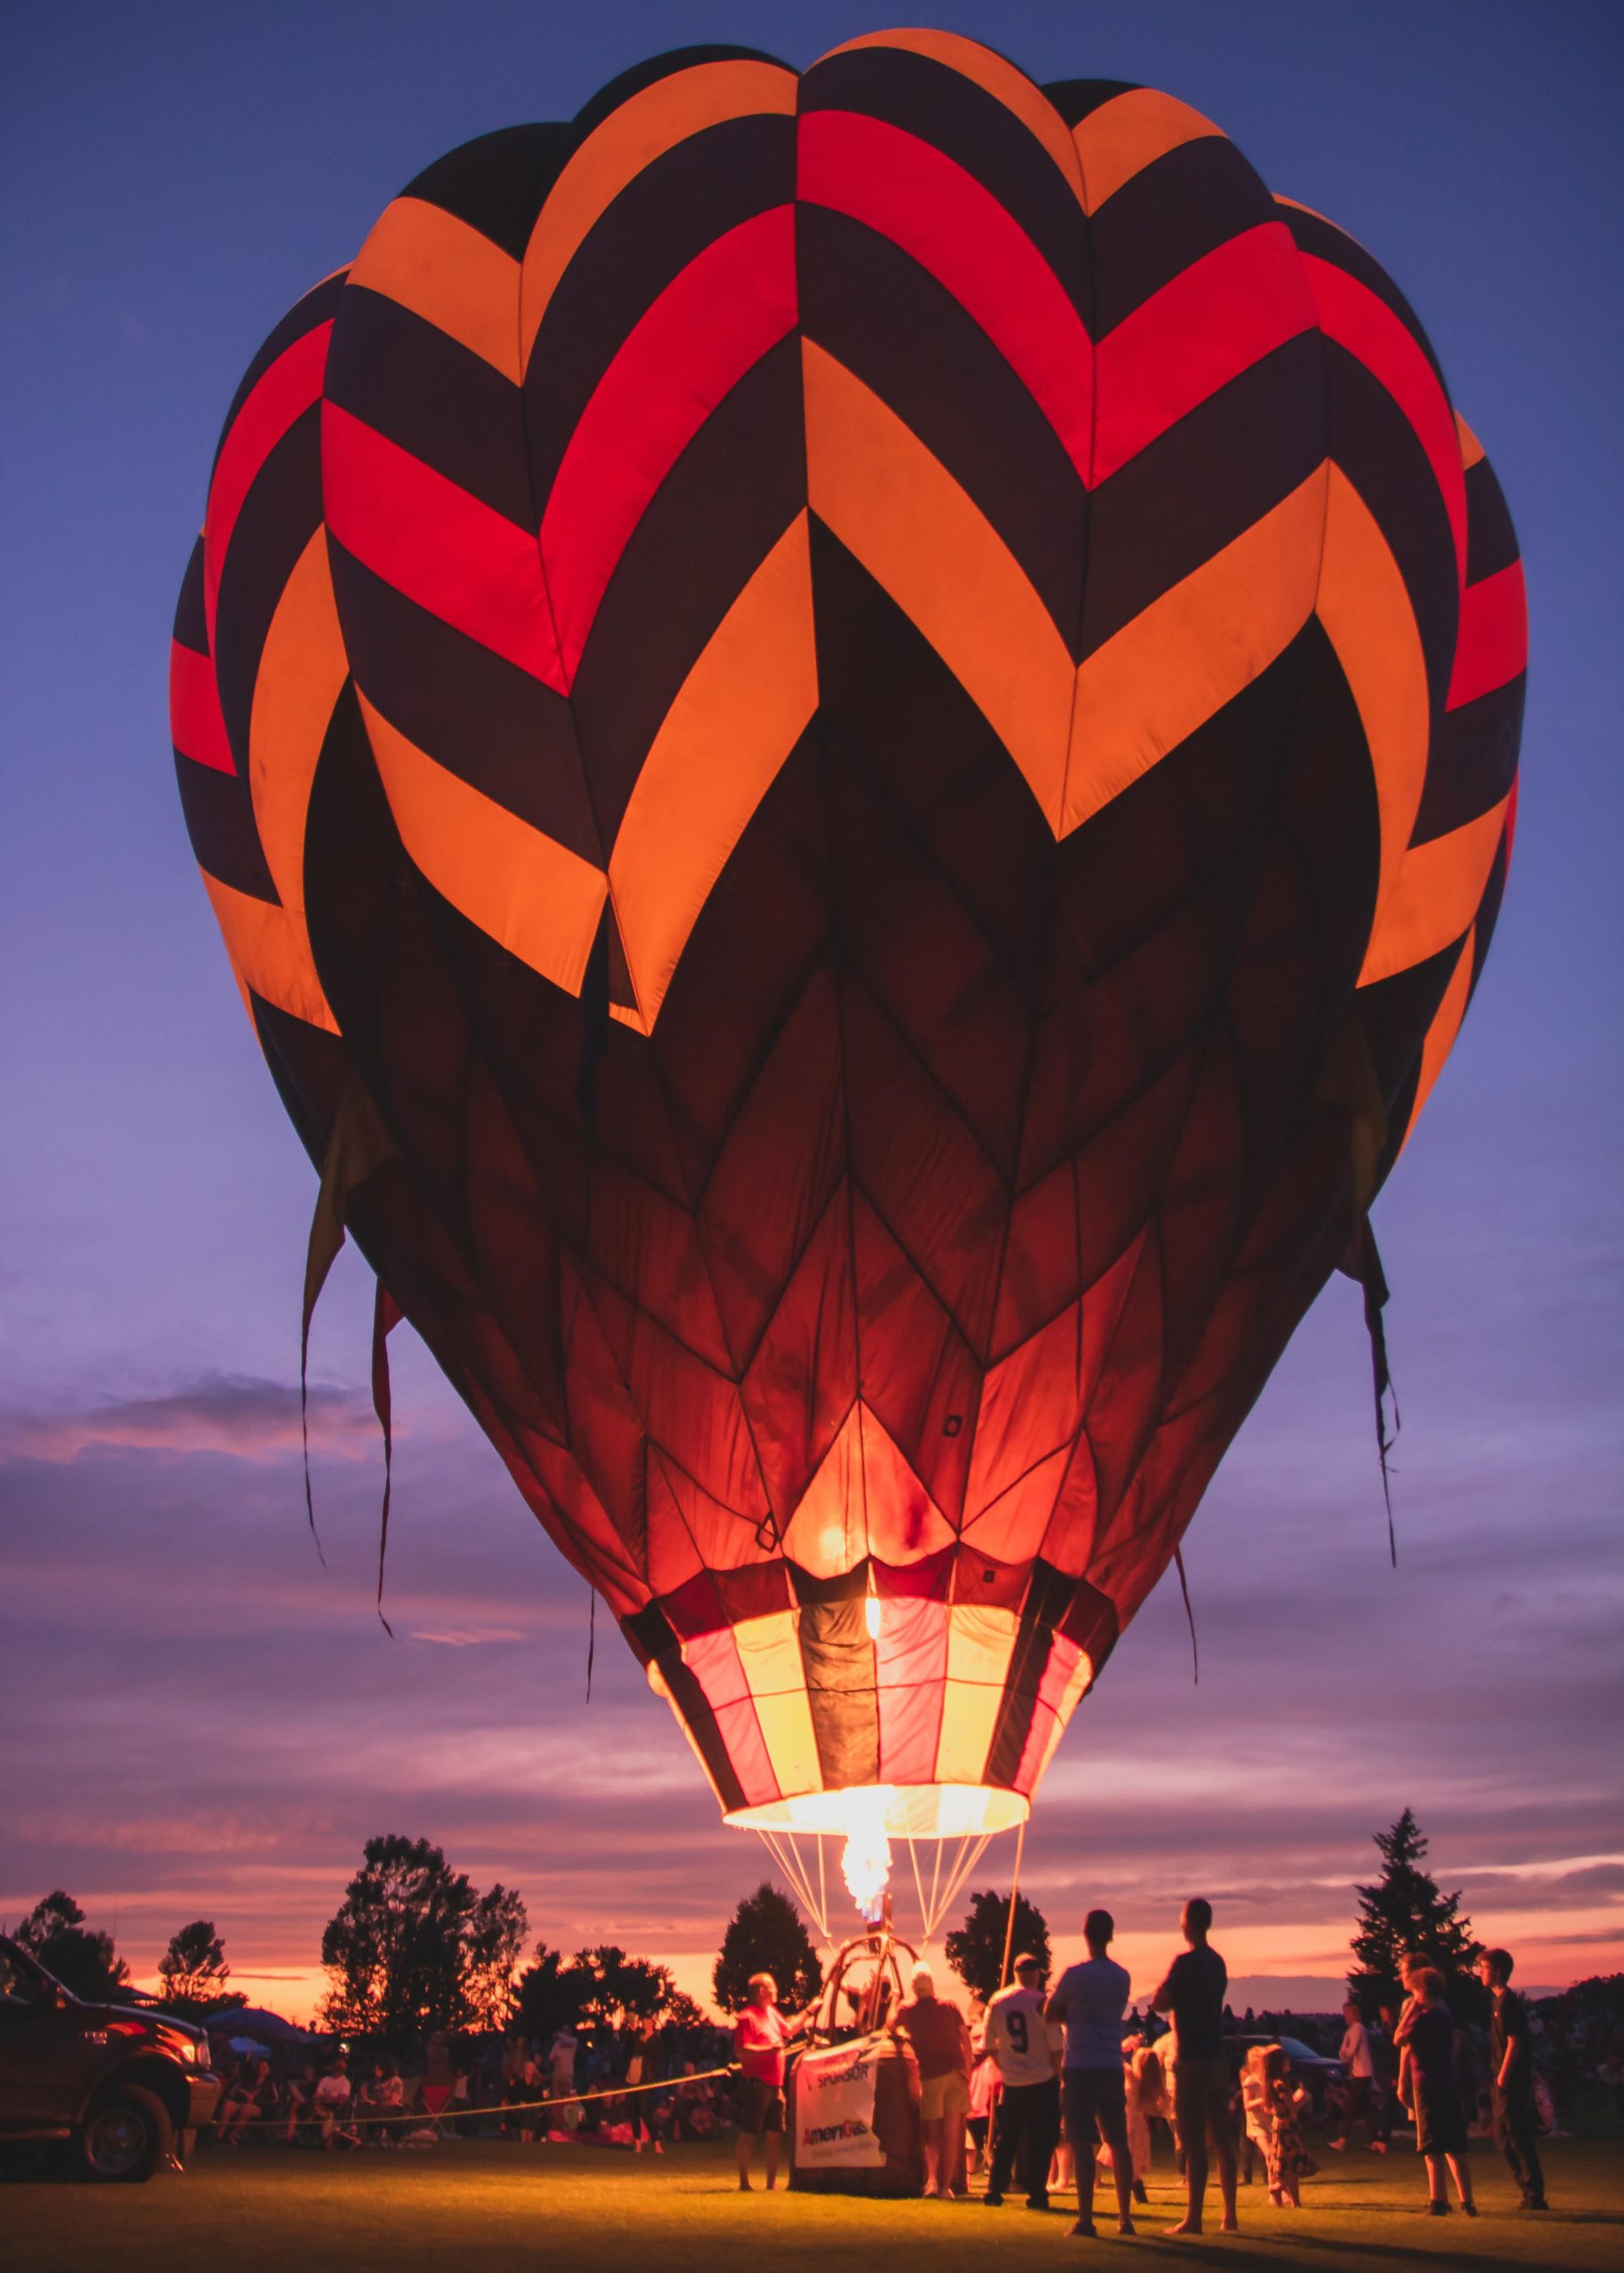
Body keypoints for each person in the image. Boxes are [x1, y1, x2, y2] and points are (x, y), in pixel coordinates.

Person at [1150, 1897, 1239, 2237]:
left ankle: (1194, 2217)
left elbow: (1161, 2002)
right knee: (1222, 2137)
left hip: (1190, 2057)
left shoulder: (1184, 1963)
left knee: (1193, 2139)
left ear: (1187, 1922)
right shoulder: (1218, 1963)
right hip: (1216, 2057)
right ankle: (1230, 2214)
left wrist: (1161, 1995)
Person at [1046, 1909, 1136, 2238]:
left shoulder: (1074, 1976)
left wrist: (1069, 2013)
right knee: (1118, 2142)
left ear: (1085, 1935)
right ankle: (1125, 2217)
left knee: (1081, 2141)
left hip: (1080, 2063)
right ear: (1110, 1934)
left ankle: (1086, 2218)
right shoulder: (1121, 1977)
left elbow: (1049, 2013)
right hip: (1110, 2062)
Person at [982, 1952, 1062, 2211]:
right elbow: (1055, 2048)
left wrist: (1006, 2068)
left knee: (1006, 2138)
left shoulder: (997, 2001)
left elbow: (989, 2046)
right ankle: (1036, 2191)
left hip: (1013, 2080)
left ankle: (994, 2188)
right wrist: (1060, 2077)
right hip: (1042, 2078)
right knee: (1041, 2138)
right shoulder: (1042, 2003)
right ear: (1037, 1973)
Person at [891, 1961, 973, 2200]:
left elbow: (889, 2024)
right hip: (955, 2074)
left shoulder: (908, 2009)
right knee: (950, 2133)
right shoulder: (949, 2006)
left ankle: (932, 2180)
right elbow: (965, 2041)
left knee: (931, 2133)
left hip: (931, 2076)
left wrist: (896, 1998)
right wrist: (966, 2071)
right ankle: (945, 2186)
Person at [1398, 1968, 1476, 2216]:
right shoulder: (1445, 2015)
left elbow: (1399, 2039)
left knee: (1431, 2145)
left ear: (1420, 1990)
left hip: (1426, 2083)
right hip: (1447, 2082)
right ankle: (1467, 2201)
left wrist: (1412, 2009)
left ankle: (1438, 2199)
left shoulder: (1422, 2017)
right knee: (1454, 2144)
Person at [1478, 1948, 1548, 2211]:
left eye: (1484, 1968)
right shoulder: (1497, 2003)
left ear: (1497, 1971)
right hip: (1500, 2079)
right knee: (1503, 2136)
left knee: (1517, 2136)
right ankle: (1528, 2189)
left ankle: (1534, 2194)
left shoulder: (1508, 2003)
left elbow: (1515, 2041)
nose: (1480, 1973)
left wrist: (1504, 2076)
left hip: (1509, 2081)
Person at [733, 1971, 805, 2192]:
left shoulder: (771, 2013)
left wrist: (810, 2011)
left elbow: (790, 2029)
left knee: (775, 2134)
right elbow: (741, 2050)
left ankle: (771, 2184)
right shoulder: (747, 2017)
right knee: (750, 2132)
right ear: (762, 1991)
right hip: (757, 2085)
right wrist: (769, 2049)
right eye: (772, 1987)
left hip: (776, 2087)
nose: (776, 1990)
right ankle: (744, 2182)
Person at [1242, 2045, 1310, 2208]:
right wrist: (1303, 2098)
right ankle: (1277, 2188)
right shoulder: (1277, 2083)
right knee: (1286, 2162)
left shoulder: (1269, 2082)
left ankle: (1293, 2201)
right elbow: (1290, 2106)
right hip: (1279, 2127)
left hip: (1277, 2124)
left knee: (1288, 2163)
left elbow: (1270, 2107)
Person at [1330, 1998, 1377, 2151]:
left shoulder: (1357, 2029)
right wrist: (1344, 2054)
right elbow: (1344, 2052)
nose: (1345, 2016)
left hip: (1362, 2073)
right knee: (1366, 2108)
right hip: (1361, 2072)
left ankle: (1343, 2140)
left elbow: (1348, 2052)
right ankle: (1377, 2141)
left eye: (1347, 2013)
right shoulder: (1352, 2030)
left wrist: (1345, 2054)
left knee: (1351, 2106)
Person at [314, 2055, 360, 2150]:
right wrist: (327, 2099)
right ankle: (327, 2141)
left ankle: (329, 2141)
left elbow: (342, 2099)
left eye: (341, 2066)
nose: (338, 2068)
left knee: (331, 2114)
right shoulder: (325, 2080)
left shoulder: (345, 2082)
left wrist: (330, 2099)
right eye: (337, 2065)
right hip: (322, 2106)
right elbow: (317, 2095)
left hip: (336, 2109)